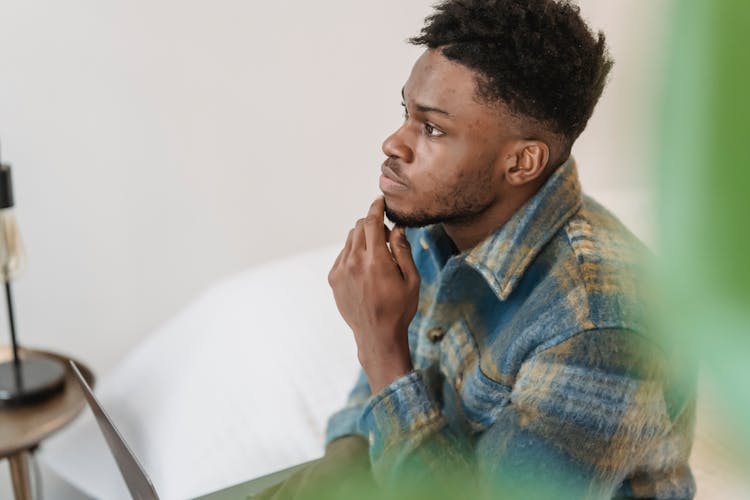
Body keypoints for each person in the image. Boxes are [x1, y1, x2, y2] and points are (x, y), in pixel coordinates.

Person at [258, 1, 696, 499]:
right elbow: (389, 391)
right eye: (407, 112)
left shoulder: (598, 327)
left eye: (433, 129)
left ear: (522, 162)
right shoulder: (439, 219)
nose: (393, 144)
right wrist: (342, 460)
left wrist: (380, 347)